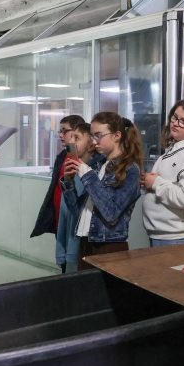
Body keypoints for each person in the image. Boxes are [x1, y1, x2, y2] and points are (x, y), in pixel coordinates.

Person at [70, 112, 143, 258]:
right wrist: (68, 182)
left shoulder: (131, 170)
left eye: (98, 135)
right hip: (86, 240)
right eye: (92, 136)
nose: (94, 142)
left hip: (108, 245)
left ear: (116, 136)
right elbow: (78, 208)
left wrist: (87, 175)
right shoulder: (99, 165)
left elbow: (111, 213)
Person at [141, 99, 184, 246]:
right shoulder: (175, 150)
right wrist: (149, 184)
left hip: (178, 238)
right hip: (167, 236)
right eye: (175, 117)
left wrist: (156, 183)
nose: (176, 123)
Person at [55, 119, 105, 272]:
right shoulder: (72, 168)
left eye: (76, 138)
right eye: (72, 137)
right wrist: (68, 181)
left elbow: (80, 211)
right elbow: (67, 211)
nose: (71, 142)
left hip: (82, 245)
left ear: (91, 145)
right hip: (70, 243)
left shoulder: (96, 173)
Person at [30, 114, 86, 242]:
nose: (61, 135)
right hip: (59, 214)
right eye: (60, 131)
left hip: (75, 216)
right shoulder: (62, 156)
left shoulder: (84, 159)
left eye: (64, 131)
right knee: (61, 252)